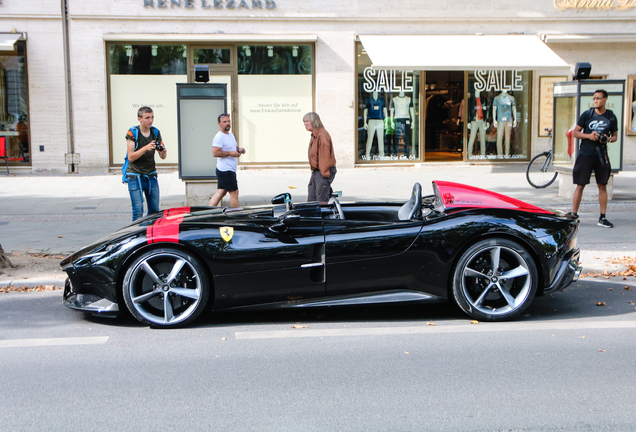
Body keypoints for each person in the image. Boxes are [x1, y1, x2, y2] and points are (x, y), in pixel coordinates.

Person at [571, 89, 618, 228]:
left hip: (601, 155)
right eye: (594, 98)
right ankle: (574, 214)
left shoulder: (611, 116)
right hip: (586, 154)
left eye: (598, 98)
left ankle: (602, 217)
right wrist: (589, 136)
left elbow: (615, 136)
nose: (595, 100)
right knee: (580, 185)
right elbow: (575, 133)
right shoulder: (587, 114)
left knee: (602, 185)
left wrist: (608, 139)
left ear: (605, 99)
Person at [125, 106, 167, 221]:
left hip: (151, 175)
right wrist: (146, 148)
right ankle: (136, 236)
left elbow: (163, 157)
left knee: (154, 211)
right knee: (138, 210)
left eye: (152, 117)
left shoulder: (155, 132)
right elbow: (131, 157)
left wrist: (163, 151)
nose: (150, 120)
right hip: (135, 176)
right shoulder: (132, 132)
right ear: (139, 119)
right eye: (147, 117)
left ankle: (150, 235)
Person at [209, 113, 246, 207]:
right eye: (224, 122)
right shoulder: (219, 137)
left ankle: (209, 211)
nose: (227, 123)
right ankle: (236, 215)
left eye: (228, 121)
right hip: (225, 170)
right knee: (234, 193)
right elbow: (215, 153)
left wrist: (239, 150)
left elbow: (233, 147)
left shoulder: (230, 135)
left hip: (228, 170)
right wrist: (230, 153)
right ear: (219, 123)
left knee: (221, 192)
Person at [303, 112, 336, 203]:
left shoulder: (321, 135)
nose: (304, 123)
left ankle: (322, 217)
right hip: (317, 172)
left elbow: (325, 157)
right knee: (312, 200)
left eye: (307, 121)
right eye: (304, 121)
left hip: (322, 171)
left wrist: (324, 174)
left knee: (321, 202)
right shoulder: (316, 134)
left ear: (314, 122)